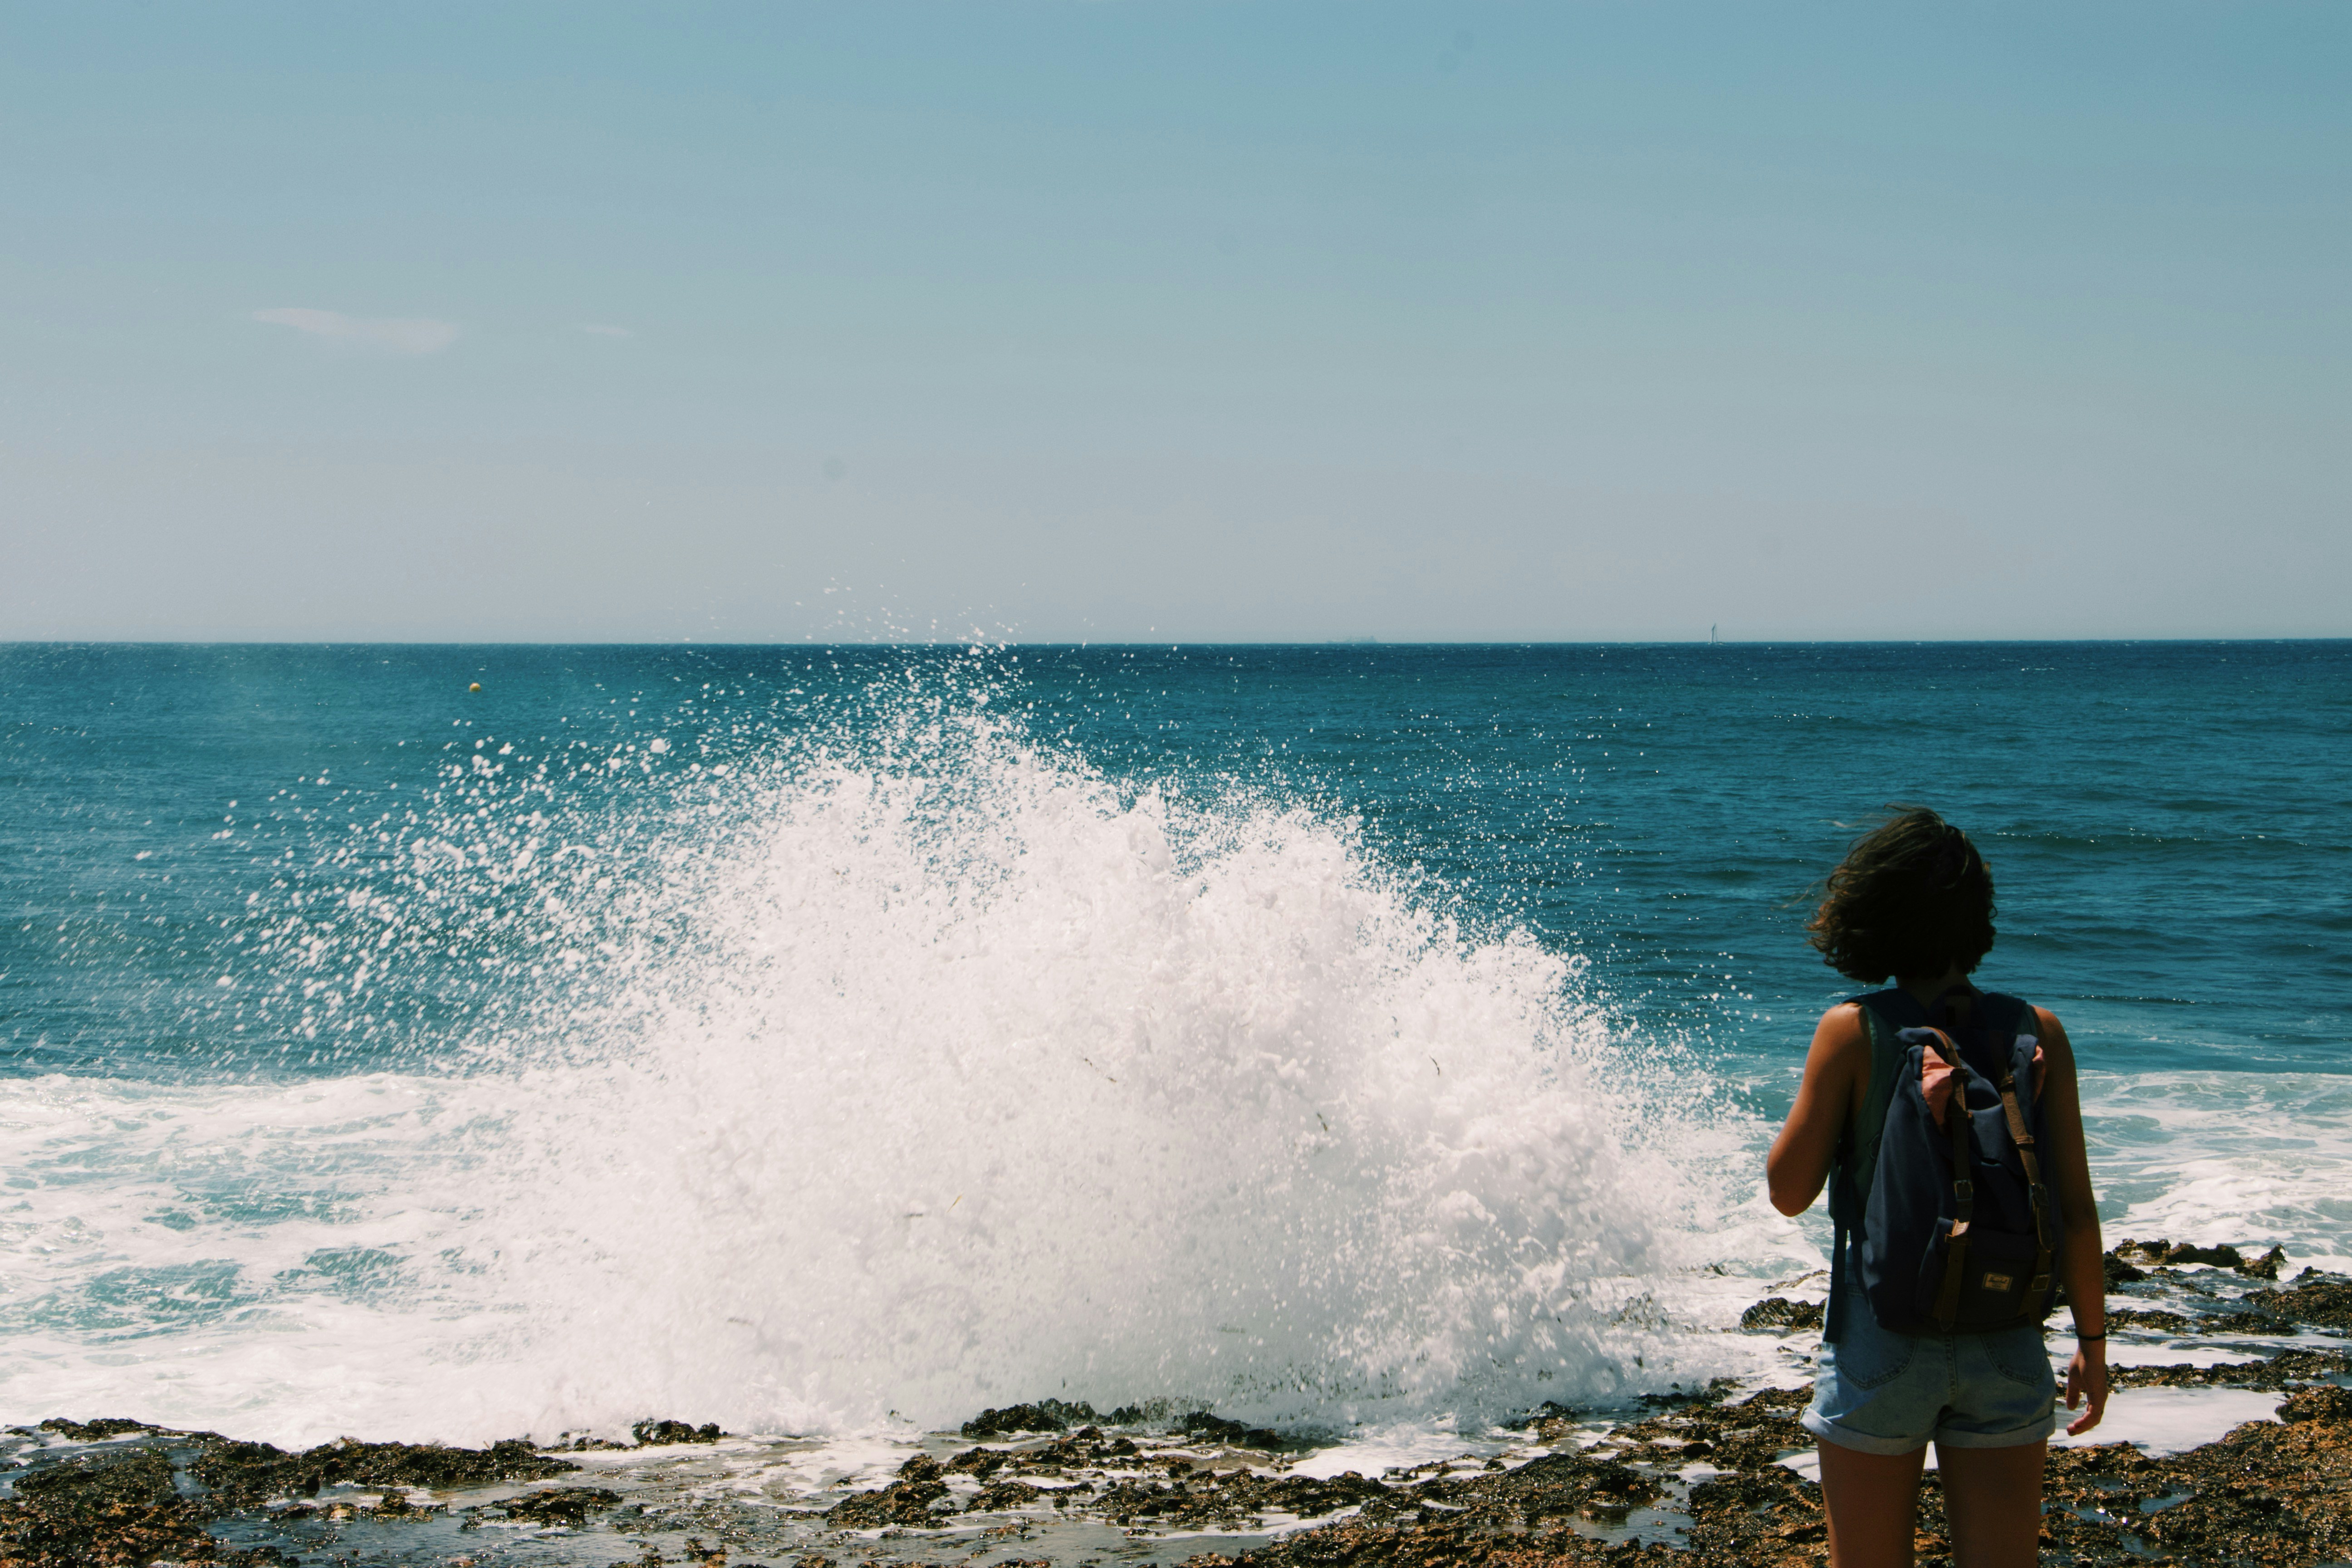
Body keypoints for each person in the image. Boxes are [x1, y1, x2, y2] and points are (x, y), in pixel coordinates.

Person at [1767, 808, 2108, 1568]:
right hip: (2008, 1336)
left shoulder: (1853, 1030)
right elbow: (2075, 1209)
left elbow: (1788, 1191)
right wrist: (2092, 1342)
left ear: (1874, 916)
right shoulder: (2039, 1031)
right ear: (1976, 918)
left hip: (1881, 1343)